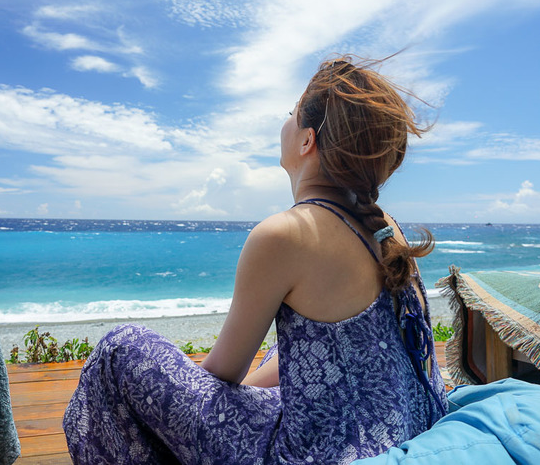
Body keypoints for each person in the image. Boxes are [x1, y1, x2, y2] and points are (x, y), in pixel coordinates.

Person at [62, 57, 448, 464]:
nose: (283, 122)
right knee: (280, 353)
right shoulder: (386, 227)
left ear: (307, 141)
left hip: (322, 452)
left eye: (291, 114)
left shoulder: (286, 234)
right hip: (397, 426)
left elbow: (220, 373)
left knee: (120, 349)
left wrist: (207, 398)